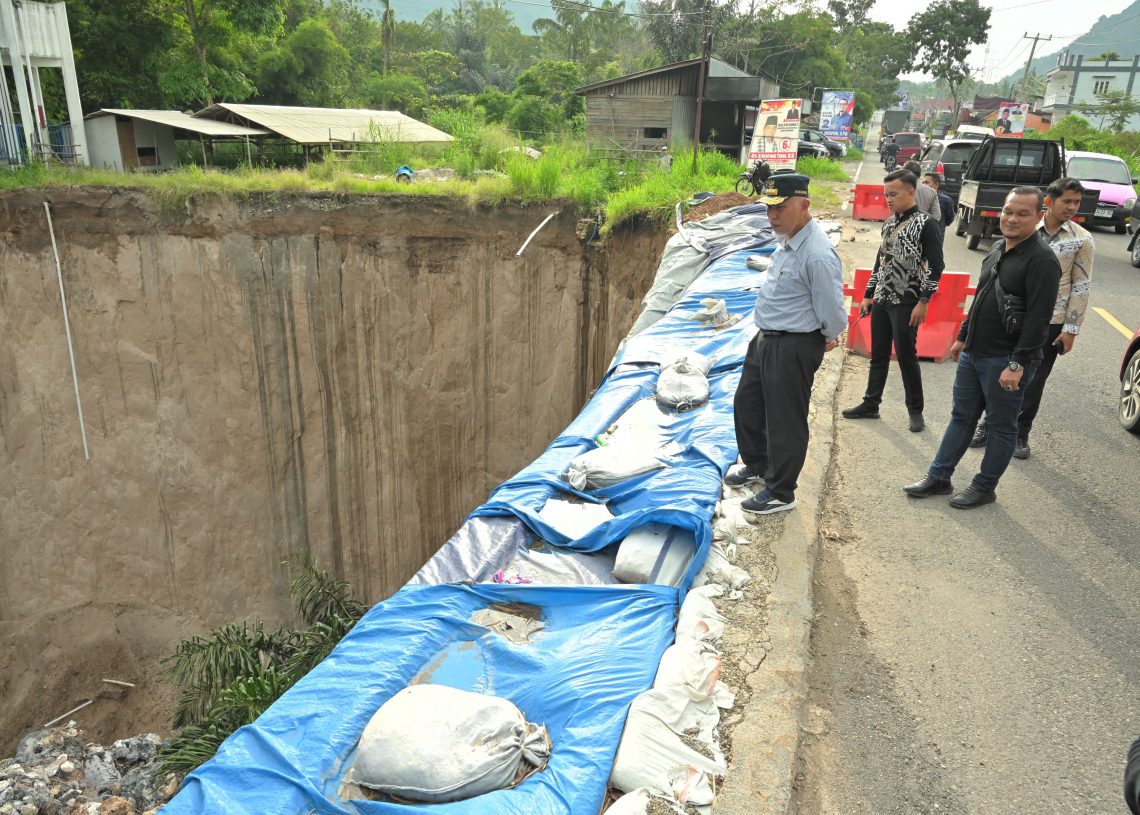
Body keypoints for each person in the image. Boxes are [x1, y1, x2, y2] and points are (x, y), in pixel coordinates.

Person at [903, 186, 1060, 509]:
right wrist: (962, 336)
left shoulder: (1042, 261)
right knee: (961, 417)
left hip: (1006, 360)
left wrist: (1017, 364)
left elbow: (1038, 321)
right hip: (975, 353)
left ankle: (985, 486)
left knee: (1002, 426)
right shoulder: (998, 248)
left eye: (1022, 213)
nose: (1012, 219)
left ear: (1039, 216)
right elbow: (982, 299)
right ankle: (939, 476)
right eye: (1008, 211)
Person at [724, 173, 846, 515]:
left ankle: (781, 490)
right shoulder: (788, 239)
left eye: (781, 207)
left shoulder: (818, 253)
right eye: (769, 208)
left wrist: (825, 336)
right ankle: (760, 465)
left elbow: (834, 312)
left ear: (804, 205)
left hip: (793, 344)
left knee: (784, 418)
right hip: (766, 337)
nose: (772, 215)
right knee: (748, 403)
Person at [969, 178, 1094, 458]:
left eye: (1076, 202)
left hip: (1050, 322)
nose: (1072, 207)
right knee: (997, 373)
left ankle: (1020, 433)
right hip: (1009, 317)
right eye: (1067, 201)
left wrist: (1071, 329)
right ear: (1048, 202)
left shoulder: (1082, 239)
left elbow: (1081, 285)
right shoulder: (1024, 225)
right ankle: (988, 425)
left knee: (1033, 380)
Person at [843, 170, 945, 432]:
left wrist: (924, 300)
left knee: (906, 357)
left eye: (894, 194)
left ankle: (915, 410)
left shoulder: (926, 224)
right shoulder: (889, 223)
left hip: (907, 301)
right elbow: (881, 260)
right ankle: (871, 403)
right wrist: (868, 294)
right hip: (882, 300)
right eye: (886, 194)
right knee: (878, 355)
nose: (888, 199)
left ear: (911, 192)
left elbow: (937, 266)